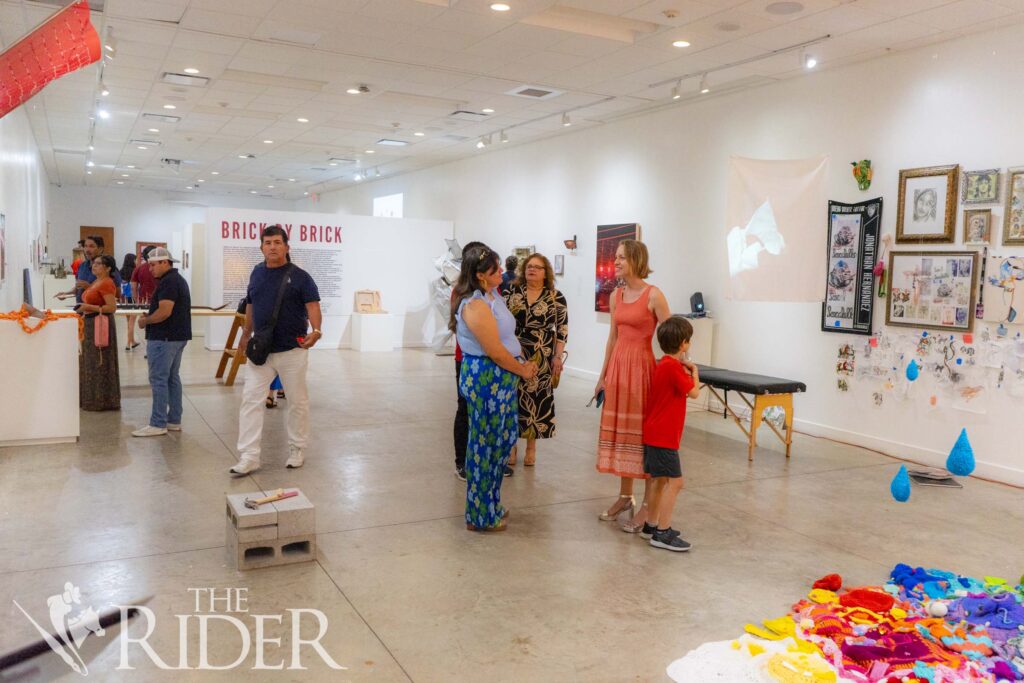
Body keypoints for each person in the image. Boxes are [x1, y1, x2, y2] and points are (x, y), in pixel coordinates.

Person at [451, 246, 537, 531]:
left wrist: (522, 362)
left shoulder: (492, 296)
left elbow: (507, 339)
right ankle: (479, 515)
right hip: (487, 379)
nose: (501, 272)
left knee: (499, 444)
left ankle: (491, 504)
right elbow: (495, 351)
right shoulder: (475, 305)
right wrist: (522, 370)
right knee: (484, 447)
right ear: (479, 276)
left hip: (500, 380)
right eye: (495, 270)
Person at [230, 226, 322, 475]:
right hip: (261, 350)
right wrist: (245, 334)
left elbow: (312, 305)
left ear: (286, 247)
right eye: (268, 242)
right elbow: (251, 304)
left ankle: (297, 448)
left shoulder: (301, 277)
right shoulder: (257, 273)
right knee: (250, 400)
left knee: (297, 401)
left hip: (292, 349)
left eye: (277, 242)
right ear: (261, 247)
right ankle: (249, 455)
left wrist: (316, 330)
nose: (272, 246)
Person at [594, 239, 671, 533]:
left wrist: (675, 369)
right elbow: (612, 338)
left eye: (622, 258)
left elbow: (672, 335)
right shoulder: (616, 295)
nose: (616, 262)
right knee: (620, 435)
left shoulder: (654, 295)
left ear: (637, 260)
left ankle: (649, 508)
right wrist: (602, 376)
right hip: (618, 370)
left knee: (642, 438)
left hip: (642, 370)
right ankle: (625, 497)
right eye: (616, 257)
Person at [640, 317, 699, 552]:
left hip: (656, 433)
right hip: (663, 436)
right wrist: (694, 371)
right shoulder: (675, 368)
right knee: (676, 483)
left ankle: (651, 525)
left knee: (659, 480)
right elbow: (694, 392)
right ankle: (662, 533)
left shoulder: (663, 364)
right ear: (684, 344)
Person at [503, 253, 568, 468]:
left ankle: (531, 447)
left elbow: (562, 331)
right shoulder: (512, 291)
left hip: (541, 354)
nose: (532, 270)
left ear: (545, 272)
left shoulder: (555, 297)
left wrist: (557, 356)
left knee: (535, 401)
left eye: (537, 267)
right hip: (514, 351)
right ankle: (512, 446)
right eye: (529, 266)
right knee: (513, 399)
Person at [132, 248, 192, 437]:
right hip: (176, 336)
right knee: (172, 378)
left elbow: (165, 311)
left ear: (165, 263)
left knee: (158, 379)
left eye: (152, 265)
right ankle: (173, 420)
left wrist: (145, 321)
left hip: (164, 338)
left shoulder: (169, 282)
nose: (150, 269)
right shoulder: (176, 280)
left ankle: (158, 423)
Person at [452, 240, 487, 482]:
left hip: (489, 359)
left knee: (485, 412)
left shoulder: (491, 290)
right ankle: (462, 461)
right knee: (465, 408)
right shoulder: (461, 292)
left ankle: (484, 459)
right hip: (466, 358)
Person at [78, 255, 121, 411]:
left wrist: (88, 308)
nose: (93, 266)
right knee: (90, 361)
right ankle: (91, 399)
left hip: (100, 324)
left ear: (108, 268)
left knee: (99, 361)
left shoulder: (107, 283)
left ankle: (101, 400)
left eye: (98, 264)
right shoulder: (96, 282)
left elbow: (112, 307)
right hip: (90, 323)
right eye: (93, 264)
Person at [120, 253, 139, 350]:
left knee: (129, 322)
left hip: (124, 299)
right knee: (132, 322)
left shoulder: (121, 271)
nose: (136, 261)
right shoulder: (135, 271)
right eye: (135, 259)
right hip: (133, 298)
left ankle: (132, 341)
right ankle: (128, 343)